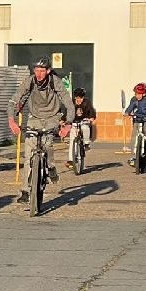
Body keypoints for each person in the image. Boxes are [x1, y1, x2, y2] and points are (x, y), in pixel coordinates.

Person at [7, 56, 73, 204]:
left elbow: (69, 103)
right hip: (34, 117)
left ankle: (50, 166)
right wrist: (11, 120)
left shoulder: (55, 82)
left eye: (42, 71)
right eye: (36, 70)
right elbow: (14, 99)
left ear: (48, 71)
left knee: (47, 143)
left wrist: (68, 123)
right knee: (29, 154)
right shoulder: (29, 81)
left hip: (52, 117)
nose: (39, 74)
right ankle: (25, 191)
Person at [66, 87, 96, 168]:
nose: (79, 100)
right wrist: (63, 120)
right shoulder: (72, 103)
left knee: (85, 128)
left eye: (81, 98)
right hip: (74, 122)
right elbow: (68, 112)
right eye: (77, 98)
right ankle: (71, 160)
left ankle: (86, 143)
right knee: (72, 139)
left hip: (84, 121)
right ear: (75, 97)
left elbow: (91, 110)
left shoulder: (87, 102)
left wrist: (91, 117)